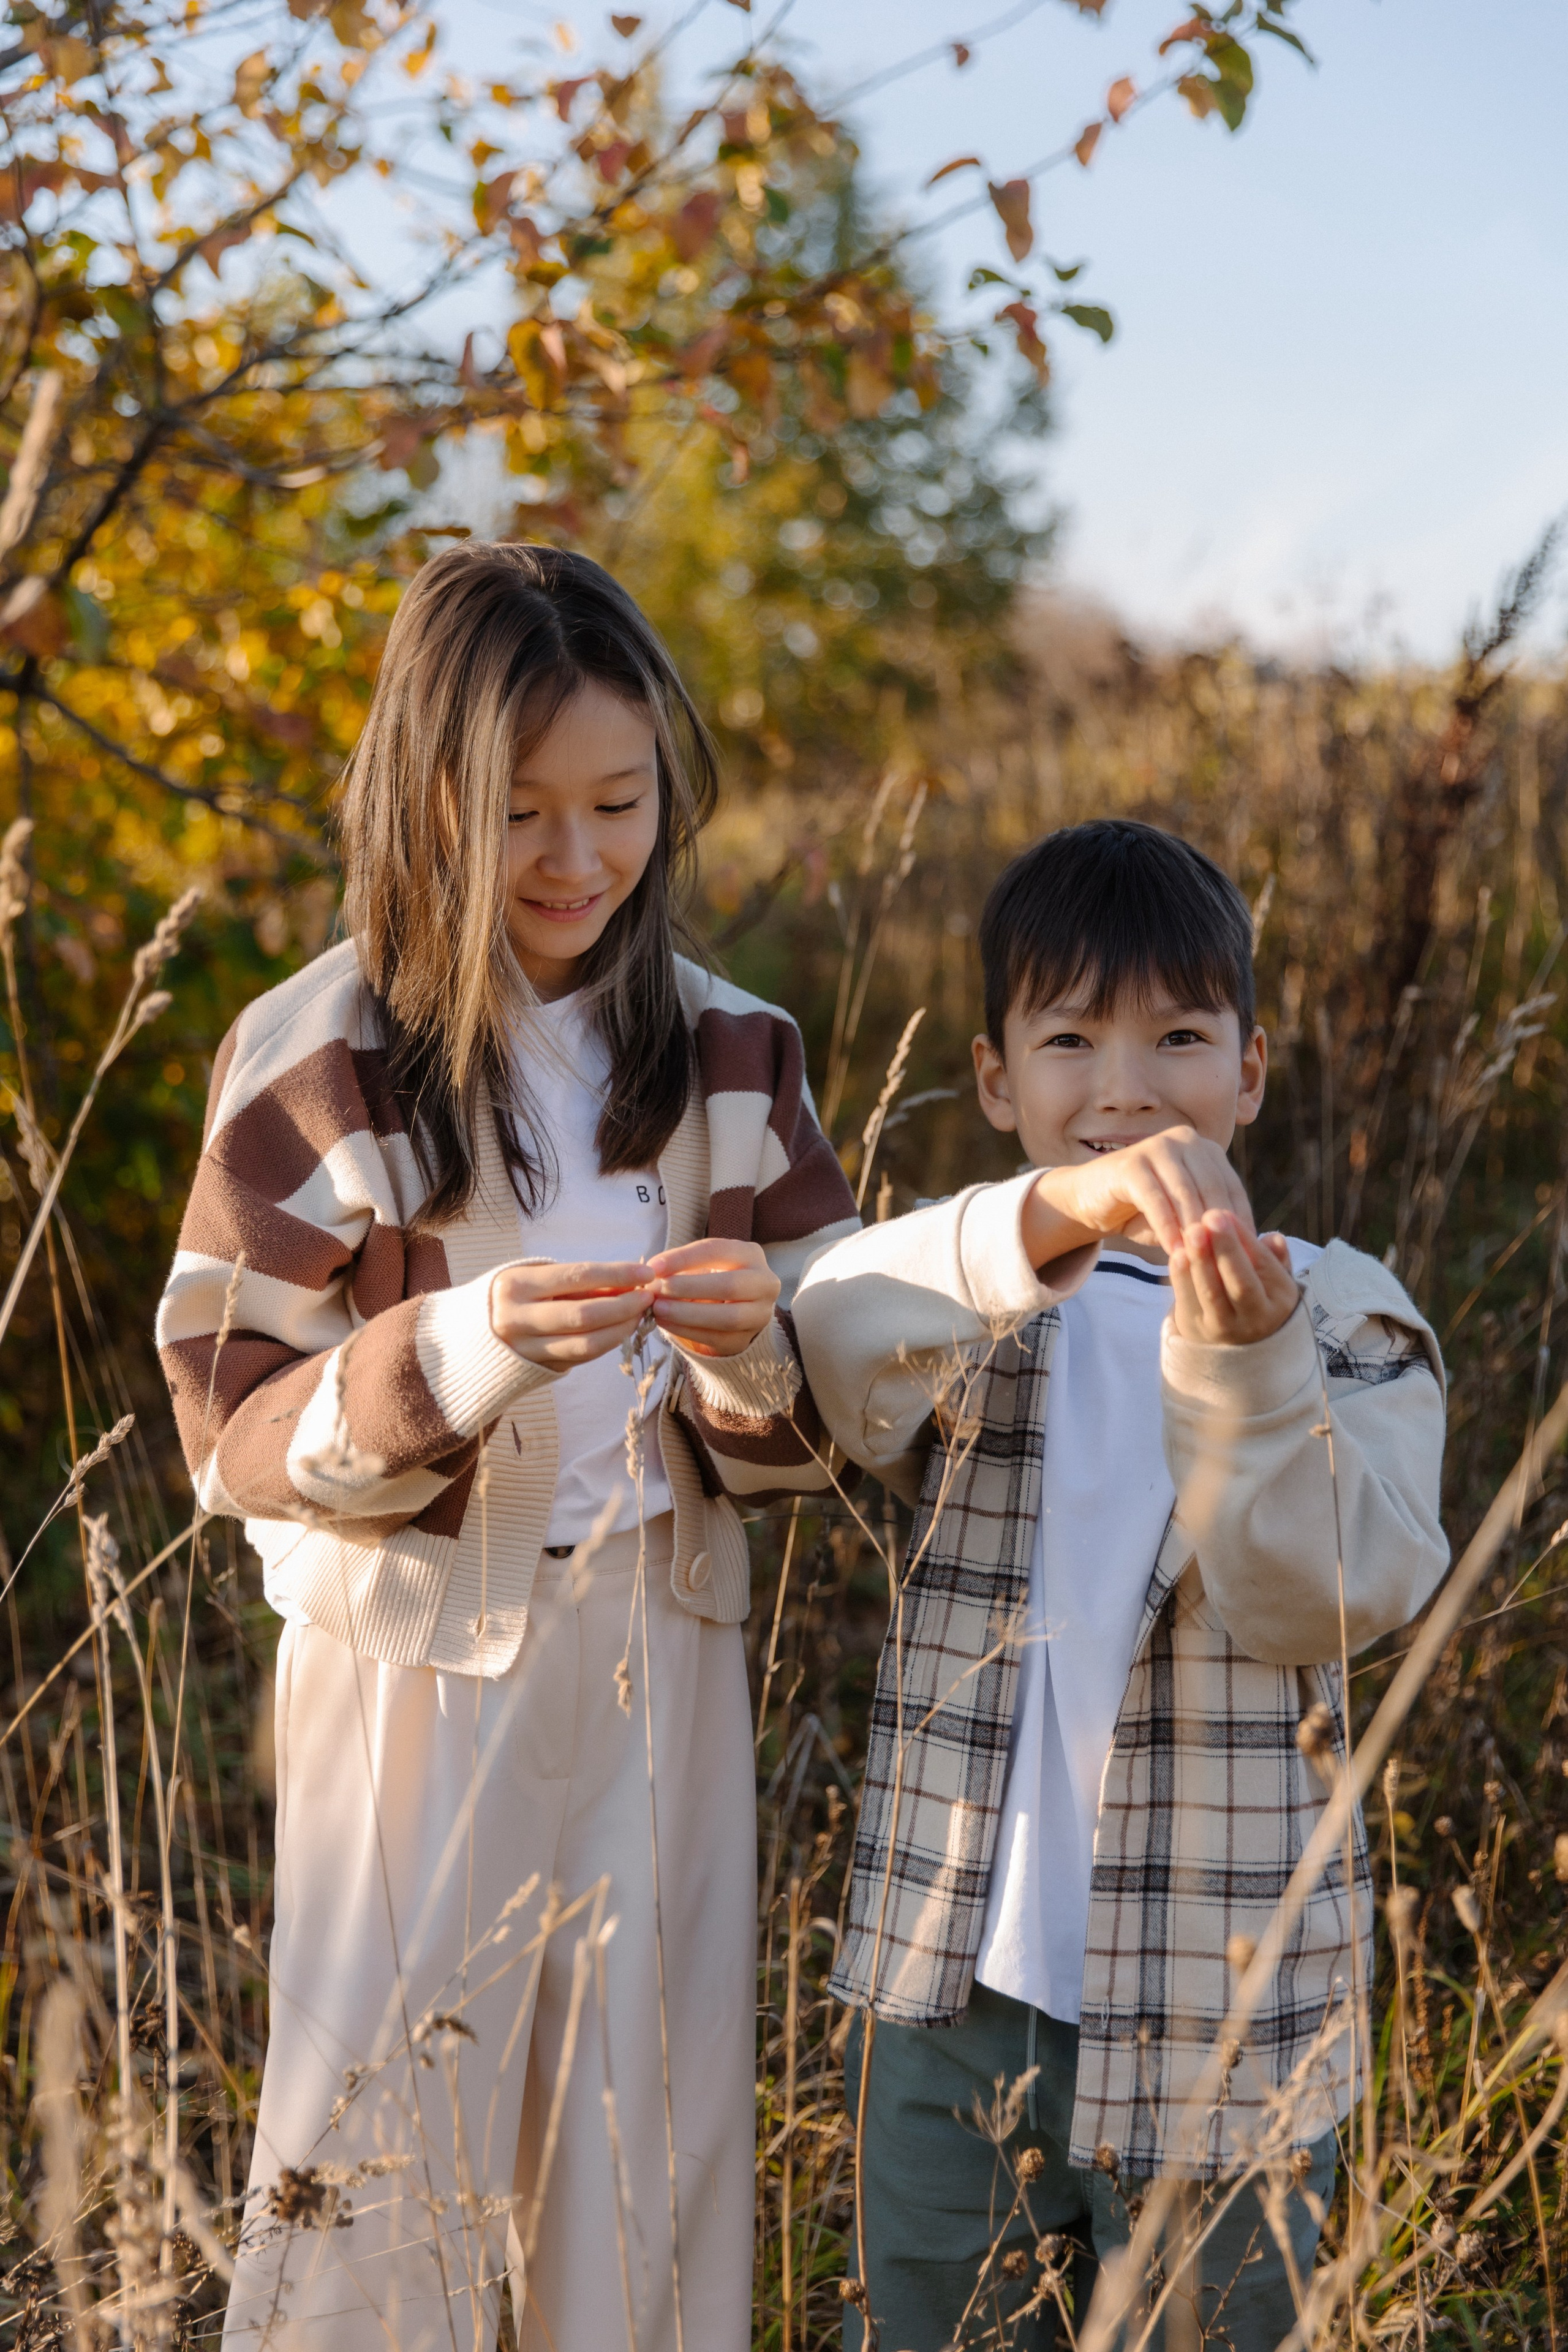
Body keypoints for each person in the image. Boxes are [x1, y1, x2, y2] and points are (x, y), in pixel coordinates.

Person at [156, 542, 859, 2352]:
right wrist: (457, 1352)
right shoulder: (322, 1051)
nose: (573, 858)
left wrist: (750, 1353)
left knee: (646, 2156)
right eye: (518, 810)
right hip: (412, 1670)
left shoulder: (735, 1052)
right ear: (423, 797)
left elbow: (830, 1425)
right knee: (379, 2156)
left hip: (662, 1650)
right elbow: (226, 1422)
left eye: (617, 803)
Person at [792, 818, 1449, 2350]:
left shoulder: (1340, 1321)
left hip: (1220, 2019)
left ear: (1249, 1072)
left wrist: (1246, 1364)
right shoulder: (973, 1302)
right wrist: (1049, 1224)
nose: (1126, 1088)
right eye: (1070, 1040)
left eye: (1178, 1039)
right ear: (995, 1080)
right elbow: (820, 1335)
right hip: (956, 1993)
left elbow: (1316, 1597)